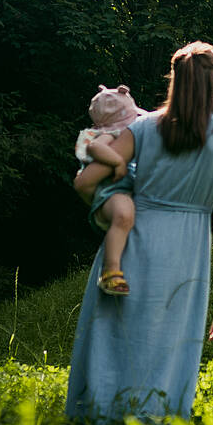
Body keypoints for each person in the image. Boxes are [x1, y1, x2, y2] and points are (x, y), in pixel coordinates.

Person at [65, 42, 213, 421]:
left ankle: (99, 417)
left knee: (114, 336)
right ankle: (157, 418)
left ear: (176, 82)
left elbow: (85, 183)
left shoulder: (141, 127)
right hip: (186, 252)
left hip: (133, 240)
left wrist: (110, 207)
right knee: (170, 342)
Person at [73, 84, 141, 296]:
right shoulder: (110, 133)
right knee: (123, 214)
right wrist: (118, 161)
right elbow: (95, 147)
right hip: (110, 193)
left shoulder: (119, 134)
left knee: (126, 217)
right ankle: (110, 272)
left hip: (117, 191)